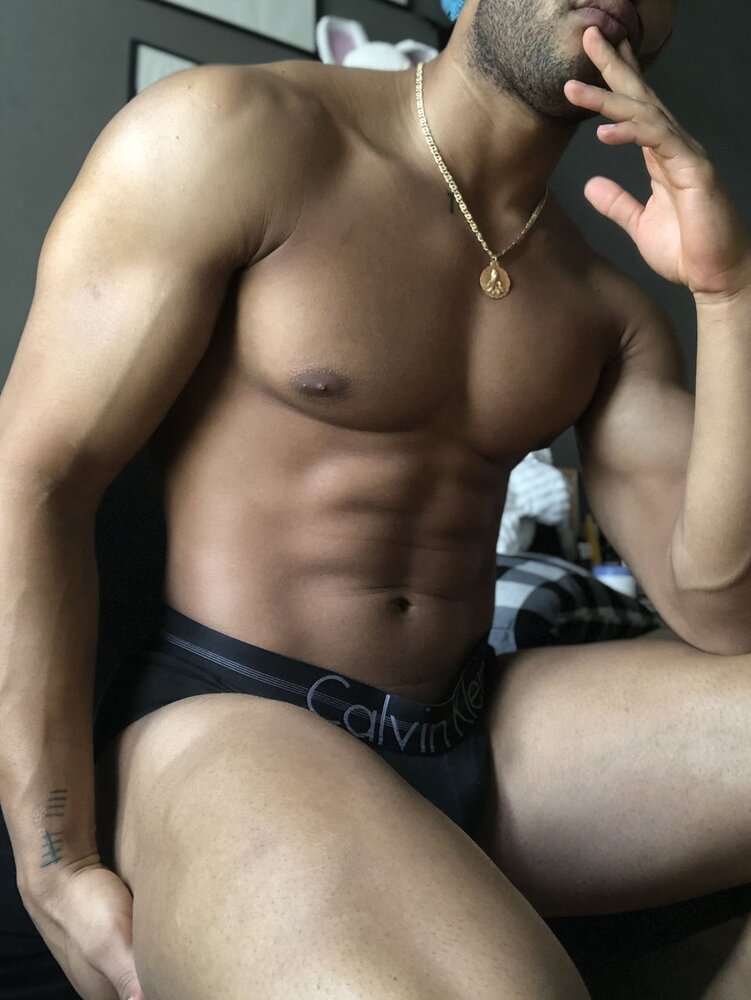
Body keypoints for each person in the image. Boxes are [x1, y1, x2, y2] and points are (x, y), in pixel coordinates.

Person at [1, 0, 750, 996]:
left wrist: (728, 295)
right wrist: (53, 861)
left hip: (469, 727)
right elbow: (37, 478)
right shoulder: (235, 135)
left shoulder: (604, 307)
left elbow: (720, 608)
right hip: (227, 719)